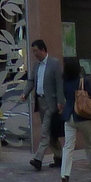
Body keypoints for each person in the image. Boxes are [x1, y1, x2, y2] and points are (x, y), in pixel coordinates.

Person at [59, 56, 91, 182]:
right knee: (89, 146)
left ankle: (65, 174)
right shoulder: (83, 81)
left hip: (69, 117)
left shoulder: (64, 82)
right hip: (82, 117)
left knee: (68, 147)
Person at [29, 37, 64, 170]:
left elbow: (59, 84)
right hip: (40, 102)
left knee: (45, 131)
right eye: (33, 51)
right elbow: (31, 81)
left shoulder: (54, 63)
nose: (34, 54)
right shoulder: (36, 65)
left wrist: (60, 102)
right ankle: (59, 156)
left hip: (52, 103)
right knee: (51, 133)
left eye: (36, 51)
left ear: (43, 50)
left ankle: (38, 159)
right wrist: (24, 93)